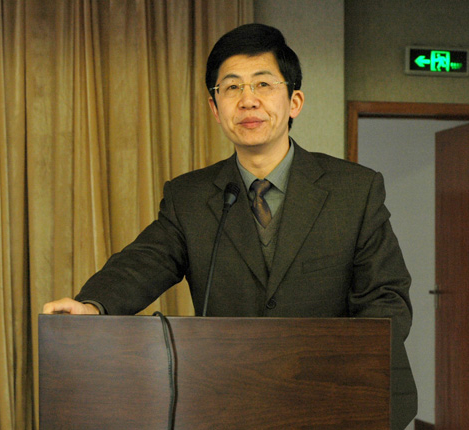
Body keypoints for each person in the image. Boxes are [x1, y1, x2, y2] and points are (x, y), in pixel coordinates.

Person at [43, 23, 417, 428]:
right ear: (214, 107)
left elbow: (387, 298)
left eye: (263, 84)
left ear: (294, 101)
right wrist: (93, 305)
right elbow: (145, 261)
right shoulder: (190, 196)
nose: (248, 100)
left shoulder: (354, 190)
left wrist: (345, 371)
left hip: (338, 400)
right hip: (231, 400)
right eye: (232, 87)